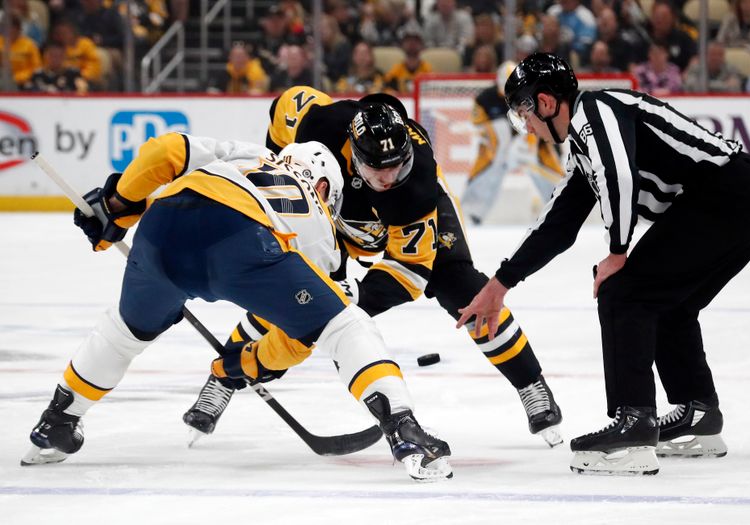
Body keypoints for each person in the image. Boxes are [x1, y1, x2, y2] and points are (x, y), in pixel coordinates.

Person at [23, 134, 453, 482]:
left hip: (162, 229)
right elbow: (298, 340)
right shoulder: (321, 231)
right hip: (243, 241)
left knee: (124, 332)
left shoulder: (248, 155)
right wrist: (248, 361)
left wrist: (119, 205)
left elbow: (164, 151)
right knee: (345, 326)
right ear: (325, 186)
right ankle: (402, 427)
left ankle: (56, 422)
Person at [457, 53, 750, 475]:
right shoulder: (583, 147)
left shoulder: (597, 110)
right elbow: (556, 226)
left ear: (544, 102)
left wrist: (617, 252)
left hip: (732, 192)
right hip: (744, 197)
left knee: (623, 291)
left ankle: (633, 425)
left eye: (525, 113)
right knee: (670, 303)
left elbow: (620, 176)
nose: (528, 128)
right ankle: (699, 415)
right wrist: (498, 285)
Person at [183, 88, 565, 448]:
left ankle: (530, 383)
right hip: (330, 208)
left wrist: (351, 300)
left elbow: (409, 272)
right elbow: (287, 106)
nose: (389, 179)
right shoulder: (319, 126)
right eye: (378, 170)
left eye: (398, 167)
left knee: (458, 284)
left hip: (400, 226)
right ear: (352, 153)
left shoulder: (414, 185)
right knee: (290, 286)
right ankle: (225, 376)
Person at [461, 61, 564, 226]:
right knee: (491, 162)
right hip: (498, 148)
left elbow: (543, 121)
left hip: (528, 141)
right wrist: (497, 137)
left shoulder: (532, 95)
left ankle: (563, 206)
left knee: (542, 166)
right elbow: (477, 124)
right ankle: (473, 210)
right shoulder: (484, 99)